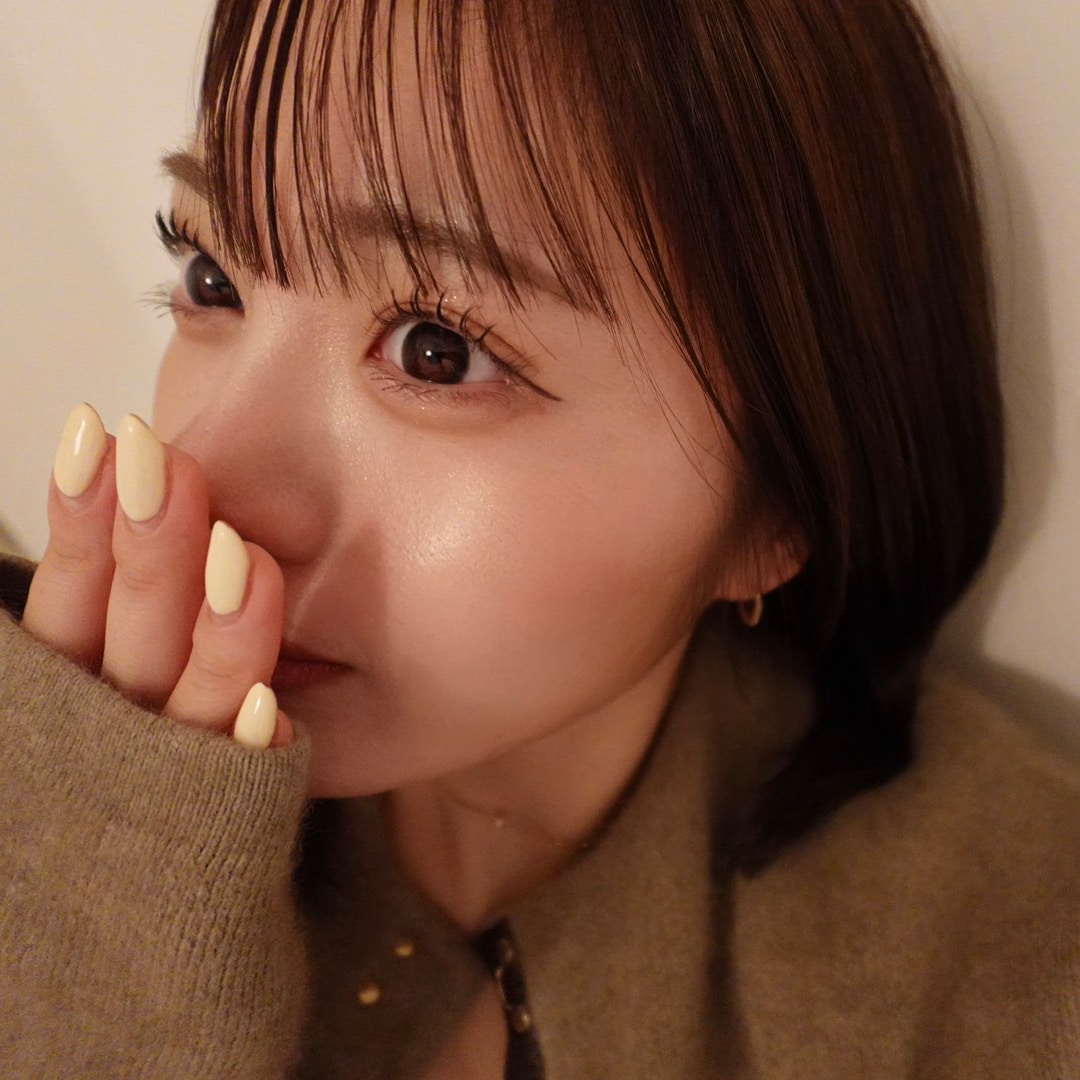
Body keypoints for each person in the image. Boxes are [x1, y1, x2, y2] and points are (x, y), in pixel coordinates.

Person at [1, 0, 1078, 1076]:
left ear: (775, 507)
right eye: (212, 277)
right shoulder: (36, 762)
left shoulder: (1007, 964)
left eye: (437, 351)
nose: (208, 478)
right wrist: (95, 884)